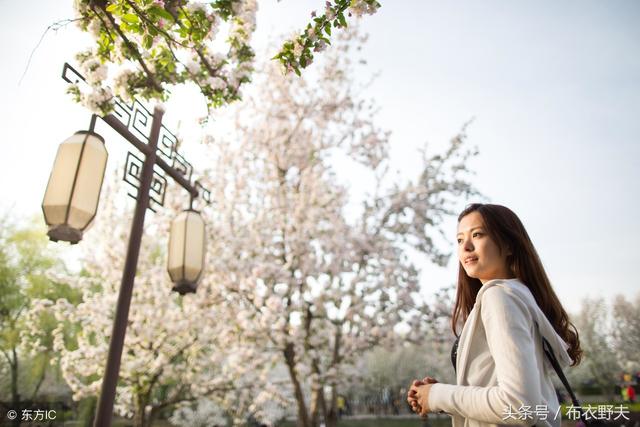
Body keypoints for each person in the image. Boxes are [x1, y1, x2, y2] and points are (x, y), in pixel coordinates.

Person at [406, 203, 583, 427]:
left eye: (477, 235)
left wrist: (438, 394)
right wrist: (443, 398)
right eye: (460, 240)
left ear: (509, 245)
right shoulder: (518, 295)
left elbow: (519, 406)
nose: (466, 247)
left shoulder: (499, 297)